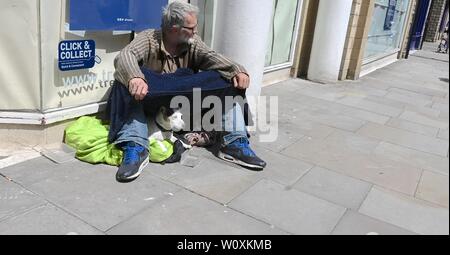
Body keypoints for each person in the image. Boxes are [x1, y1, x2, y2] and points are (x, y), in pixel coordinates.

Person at [113, 1, 266, 182]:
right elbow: (125, 55)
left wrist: (237, 69)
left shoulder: (193, 42)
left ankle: (234, 143)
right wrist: (135, 78)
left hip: (182, 108)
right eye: (191, 27)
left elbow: (212, 56)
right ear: (174, 28)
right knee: (123, 82)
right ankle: (136, 146)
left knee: (228, 79)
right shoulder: (149, 38)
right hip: (153, 103)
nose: (195, 31)